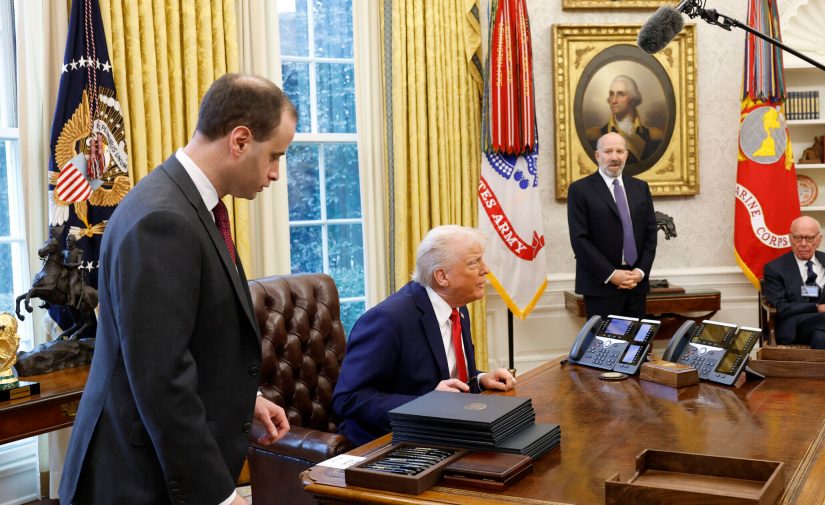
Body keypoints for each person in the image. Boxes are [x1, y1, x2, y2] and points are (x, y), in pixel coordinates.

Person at [59, 74, 295, 505]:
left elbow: (196, 336)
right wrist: (218, 496)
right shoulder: (163, 220)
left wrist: (246, 400)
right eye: (275, 155)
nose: (276, 173)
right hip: (138, 479)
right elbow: (161, 378)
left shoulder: (188, 205)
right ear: (240, 140)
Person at [332, 225, 517, 447]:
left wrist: (479, 379)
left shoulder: (457, 309)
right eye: (474, 262)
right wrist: (428, 403)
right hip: (387, 442)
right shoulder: (388, 319)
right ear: (442, 276)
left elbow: (441, 379)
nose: (485, 269)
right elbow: (348, 399)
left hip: (442, 433)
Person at [568, 132, 658, 319]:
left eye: (619, 151)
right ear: (597, 156)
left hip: (636, 285)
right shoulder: (580, 190)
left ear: (626, 155)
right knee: (606, 347)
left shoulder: (640, 188)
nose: (614, 157)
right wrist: (611, 274)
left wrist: (640, 272)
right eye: (608, 151)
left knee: (636, 346)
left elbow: (650, 235)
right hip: (601, 285)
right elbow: (580, 240)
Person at [762, 216, 825, 351]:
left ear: (819, 239)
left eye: (809, 238)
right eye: (798, 238)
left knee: (820, 338)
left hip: (823, 327)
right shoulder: (775, 268)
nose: (803, 243)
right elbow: (782, 307)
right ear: (790, 238)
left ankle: (823, 373)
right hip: (793, 326)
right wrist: (822, 308)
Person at [585, 75, 664, 165]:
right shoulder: (595, 136)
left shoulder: (653, 136)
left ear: (632, 99)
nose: (613, 100)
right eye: (611, 94)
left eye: (620, 94)